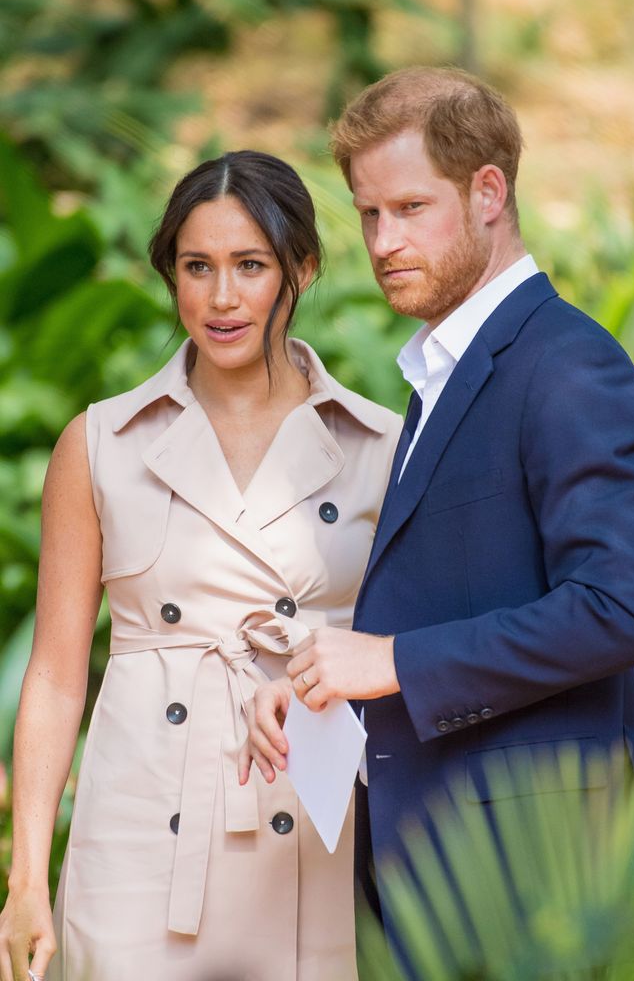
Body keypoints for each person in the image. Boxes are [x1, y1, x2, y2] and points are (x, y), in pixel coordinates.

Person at [242, 67, 634, 974]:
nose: (384, 241)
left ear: (488, 192)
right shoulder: (442, 374)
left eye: (409, 207)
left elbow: (621, 608)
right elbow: (460, 591)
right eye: (368, 215)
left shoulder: (566, 367)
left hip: (528, 878)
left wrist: (391, 661)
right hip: (439, 869)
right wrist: (337, 684)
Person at [0, 149, 402, 981]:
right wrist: (26, 876)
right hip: (140, 832)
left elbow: (408, 655)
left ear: (303, 269)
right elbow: (53, 678)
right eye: (197, 267)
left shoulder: (380, 447)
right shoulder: (102, 443)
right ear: (171, 276)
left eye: (250, 266)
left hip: (305, 823)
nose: (222, 298)